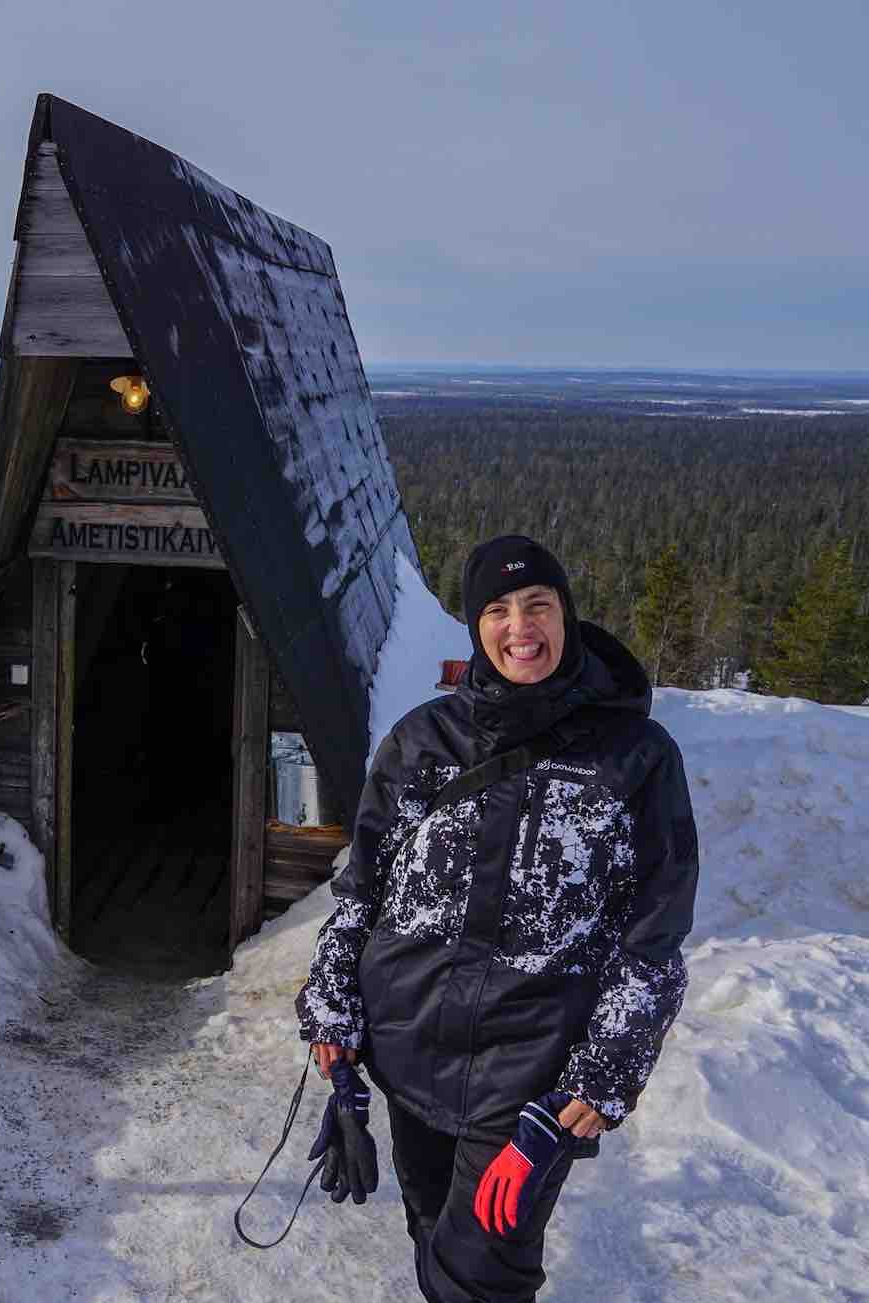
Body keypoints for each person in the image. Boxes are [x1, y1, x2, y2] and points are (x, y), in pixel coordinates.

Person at [294, 535, 699, 1302]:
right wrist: (335, 1027)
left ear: (567, 616)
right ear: (476, 627)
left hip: (530, 1082)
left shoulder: (636, 758)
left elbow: (655, 940)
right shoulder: (422, 742)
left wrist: (599, 1076)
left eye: (538, 605)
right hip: (410, 1054)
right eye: (499, 609)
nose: (521, 626)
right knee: (430, 1230)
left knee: (481, 1275)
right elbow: (361, 895)